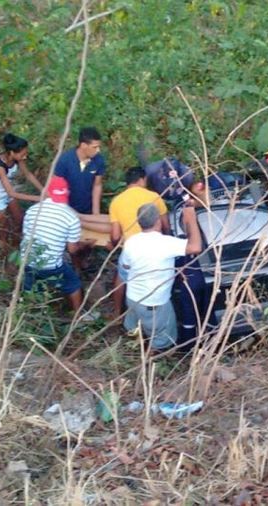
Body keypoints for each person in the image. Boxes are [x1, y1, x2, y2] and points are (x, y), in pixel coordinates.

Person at [120, 202, 202, 352]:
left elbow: (126, 266)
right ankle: (151, 363)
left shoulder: (131, 242)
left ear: (139, 222)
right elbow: (196, 247)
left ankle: (132, 353)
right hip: (154, 304)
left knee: (135, 329)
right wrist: (191, 219)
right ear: (158, 221)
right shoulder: (166, 243)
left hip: (132, 298)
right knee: (161, 340)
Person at [21, 176, 95, 317]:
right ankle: (78, 316)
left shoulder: (31, 210)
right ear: (66, 194)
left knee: (31, 286)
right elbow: (72, 250)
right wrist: (85, 244)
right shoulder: (70, 216)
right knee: (74, 284)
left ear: (48, 192)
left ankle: (29, 315)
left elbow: (26, 236)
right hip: (50, 265)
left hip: (27, 260)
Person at [108, 166, 170, 320]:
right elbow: (166, 225)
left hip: (131, 249)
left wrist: (116, 244)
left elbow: (115, 236)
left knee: (121, 277)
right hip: (155, 248)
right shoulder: (154, 196)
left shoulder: (116, 201)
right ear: (143, 180)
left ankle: (117, 312)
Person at [0, 133, 43, 257]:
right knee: (3, 229)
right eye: (22, 154)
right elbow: (12, 193)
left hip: (8, 193)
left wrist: (43, 190)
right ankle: (5, 255)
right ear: (12, 152)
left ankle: (16, 248)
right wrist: (37, 198)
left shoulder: (17, 159)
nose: (25, 156)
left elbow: (28, 175)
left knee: (20, 220)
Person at [55, 126, 106, 215]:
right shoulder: (65, 160)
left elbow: (97, 185)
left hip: (88, 210)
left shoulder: (99, 160)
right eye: (95, 147)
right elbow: (56, 187)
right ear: (83, 145)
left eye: (99, 147)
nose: (98, 150)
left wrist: (96, 213)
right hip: (67, 209)